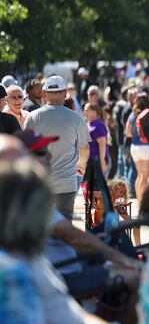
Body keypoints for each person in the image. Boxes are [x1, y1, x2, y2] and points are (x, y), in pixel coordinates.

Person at [0, 158, 141, 324]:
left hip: (76, 312)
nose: (47, 157)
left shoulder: (25, 261)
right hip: (72, 294)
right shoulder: (13, 273)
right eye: (39, 152)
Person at [24, 75, 90, 220]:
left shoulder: (32, 117)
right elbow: (84, 149)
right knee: (65, 224)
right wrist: (81, 165)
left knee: (39, 224)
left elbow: (25, 148)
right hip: (66, 182)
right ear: (65, 93)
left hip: (40, 181)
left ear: (45, 93)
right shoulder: (76, 118)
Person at [83, 103, 110, 177]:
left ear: (94, 112)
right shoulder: (89, 123)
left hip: (97, 160)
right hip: (90, 161)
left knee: (96, 186)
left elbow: (102, 144)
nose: (84, 112)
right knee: (88, 186)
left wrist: (102, 161)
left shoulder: (99, 125)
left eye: (87, 110)